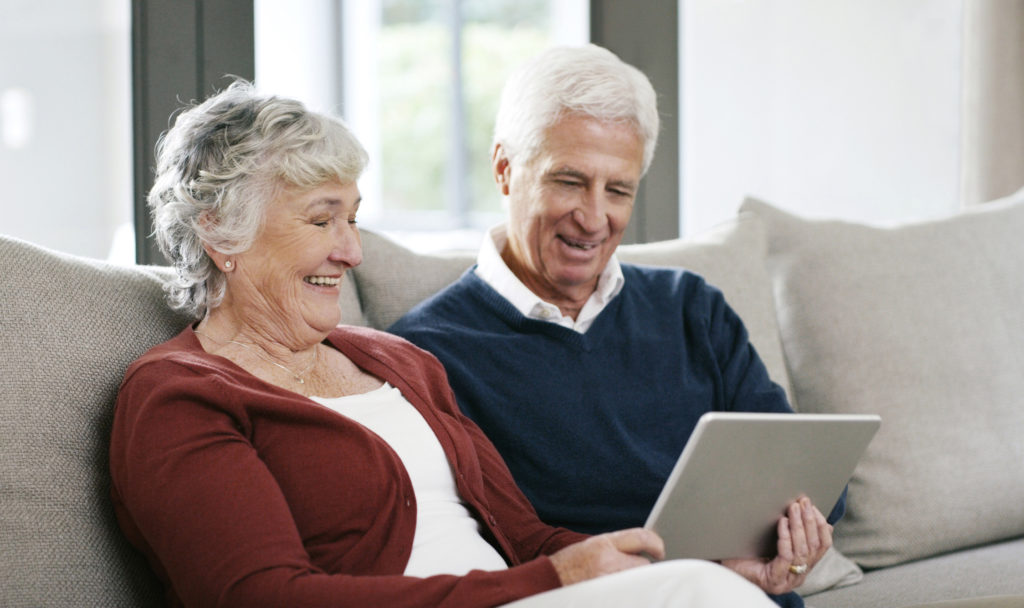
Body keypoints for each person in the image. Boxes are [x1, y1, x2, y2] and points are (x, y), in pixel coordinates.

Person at [108, 81, 779, 607]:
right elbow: (263, 598)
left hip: (523, 600)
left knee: (708, 590)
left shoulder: (402, 362)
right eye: (322, 219)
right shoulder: (180, 398)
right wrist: (547, 584)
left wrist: (695, 561)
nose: (351, 251)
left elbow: (530, 540)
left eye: (354, 218)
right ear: (221, 234)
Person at [388, 44, 839, 608]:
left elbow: (811, 478)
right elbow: (496, 553)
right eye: (569, 182)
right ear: (505, 169)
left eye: (618, 190)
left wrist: (792, 545)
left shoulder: (690, 306)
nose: (594, 217)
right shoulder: (425, 355)